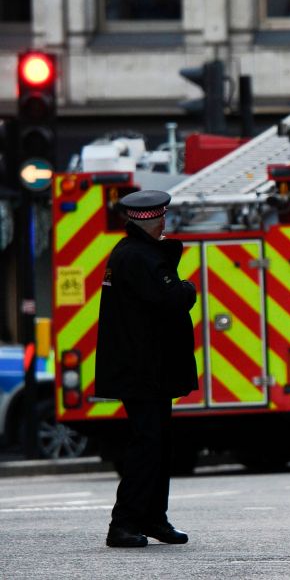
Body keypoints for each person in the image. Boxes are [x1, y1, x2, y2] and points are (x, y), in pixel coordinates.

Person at [95, 190, 198, 549]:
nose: (166, 222)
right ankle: (123, 524)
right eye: (163, 217)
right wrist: (188, 288)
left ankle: (154, 518)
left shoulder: (131, 253)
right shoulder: (139, 257)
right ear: (156, 219)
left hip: (146, 369)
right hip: (143, 370)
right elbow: (173, 298)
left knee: (158, 444)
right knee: (147, 445)